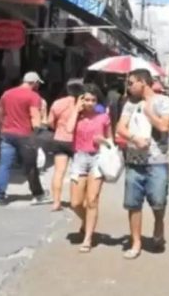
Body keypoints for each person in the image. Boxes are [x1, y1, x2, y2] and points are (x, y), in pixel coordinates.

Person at [115, 68, 169, 260]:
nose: (128, 87)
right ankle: (136, 242)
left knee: (158, 201)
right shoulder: (130, 104)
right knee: (133, 204)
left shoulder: (163, 101)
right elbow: (120, 127)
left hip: (157, 161)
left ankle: (159, 224)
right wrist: (134, 137)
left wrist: (149, 113)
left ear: (143, 82)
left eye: (131, 83)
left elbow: (164, 126)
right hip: (134, 160)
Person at [65, 84, 112, 253]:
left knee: (92, 200)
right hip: (79, 158)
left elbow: (110, 141)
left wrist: (104, 141)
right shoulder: (76, 116)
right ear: (81, 100)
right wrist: (76, 110)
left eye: (93, 100)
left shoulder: (103, 118)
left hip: (97, 159)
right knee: (75, 202)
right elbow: (68, 129)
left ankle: (88, 237)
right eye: (86, 99)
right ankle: (86, 223)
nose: (90, 103)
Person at [0, 72, 48, 206]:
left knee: (4, 165)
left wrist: (1, 127)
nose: (38, 85)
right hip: (25, 135)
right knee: (30, 166)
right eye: (38, 83)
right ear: (34, 82)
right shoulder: (34, 96)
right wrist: (37, 131)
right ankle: (38, 195)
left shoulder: (7, 93)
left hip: (7, 134)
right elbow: (35, 118)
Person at [47, 82, 82, 211]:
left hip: (60, 138)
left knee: (58, 172)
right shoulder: (82, 105)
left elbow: (50, 122)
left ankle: (56, 202)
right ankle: (75, 201)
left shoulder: (58, 103)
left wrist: (58, 127)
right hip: (76, 141)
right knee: (77, 172)